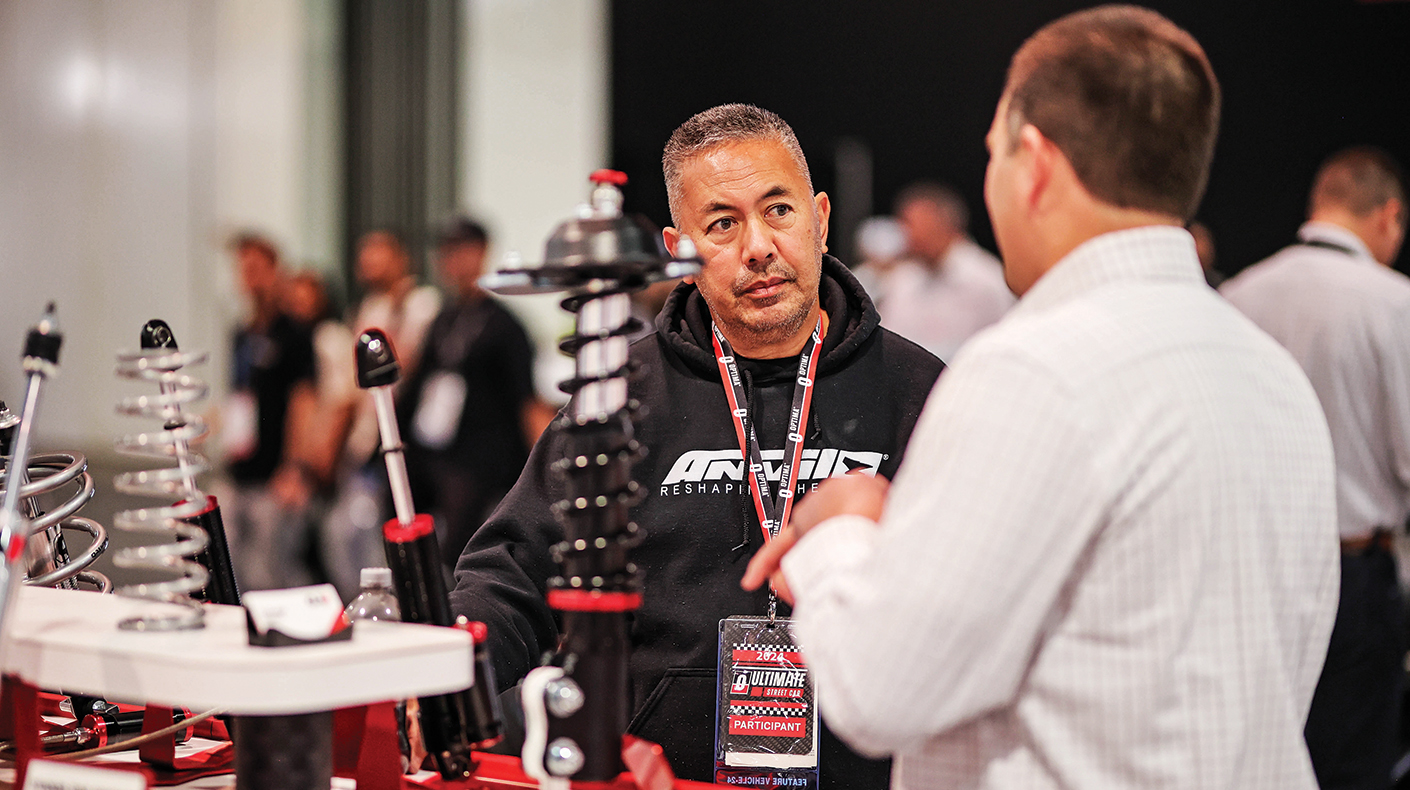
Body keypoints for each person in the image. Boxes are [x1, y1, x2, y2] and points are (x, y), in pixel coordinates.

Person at [744, 7, 1339, 789]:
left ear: (1034, 163)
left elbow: (879, 690)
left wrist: (840, 534)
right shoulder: (1274, 376)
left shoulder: (1035, 368)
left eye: (992, 153)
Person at [448, 103, 944, 787]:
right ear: (679, 252)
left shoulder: (920, 388)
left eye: (778, 211)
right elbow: (507, 575)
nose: (759, 246)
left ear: (822, 218)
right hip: (661, 775)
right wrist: (447, 685)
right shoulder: (616, 392)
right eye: (722, 224)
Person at [1221, 146, 1409, 790]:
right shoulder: (1394, 302)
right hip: (1354, 573)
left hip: (1251, 568)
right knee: (1355, 765)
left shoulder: (1241, 292)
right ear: (1389, 216)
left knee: (1262, 757)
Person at [397, 217, 551, 571]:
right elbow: (419, 387)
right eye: (447, 253)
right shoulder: (444, 320)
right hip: (433, 451)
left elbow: (527, 401)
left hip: (482, 463)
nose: (454, 262)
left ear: (482, 253)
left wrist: (545, 470)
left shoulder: (505, 326)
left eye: (462, 251)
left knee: (461, 549)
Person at [323, 229, 442, 598]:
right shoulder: (369, 308)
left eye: (379, 253)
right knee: (348, 536)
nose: (370, 263)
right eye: (365, 254)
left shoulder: (425, 303)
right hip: (367, 435)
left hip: (408, 437)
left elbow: (405, 362)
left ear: (401, 257)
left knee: (394, 533)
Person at [221, 233, 318, 591]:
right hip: (239, 467)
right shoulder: (241, 334)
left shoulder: (294, 333)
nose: (249, 277)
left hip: (276, 473)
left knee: (270, 571)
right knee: (231, 566)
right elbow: (238, 398)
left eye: (257, 268)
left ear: (276, 271)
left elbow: (304, 401)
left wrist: (295, 468)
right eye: (243, 269)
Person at [872, 182, 1015, 361]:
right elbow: (888, 337)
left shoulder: (986, 280)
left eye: (914, 224)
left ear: (943, 224)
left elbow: (1004, 347)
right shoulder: (902, 279)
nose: (908, 234)